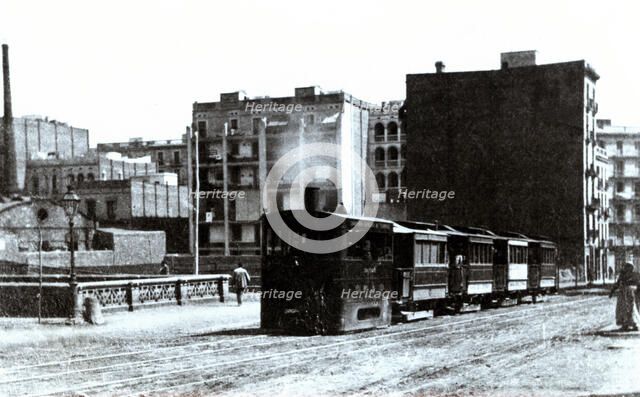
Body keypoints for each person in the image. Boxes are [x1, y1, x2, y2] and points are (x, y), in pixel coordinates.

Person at [609, 262, 639, 331]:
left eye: (628, 267)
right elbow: (617, 284)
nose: (626, 268)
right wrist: (612, 291)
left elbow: (638, 283)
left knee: (630, 308)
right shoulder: (622, 275)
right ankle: (625, 325)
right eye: (626, 267)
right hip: (622, 294)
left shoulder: (634, 275)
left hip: (629, 293)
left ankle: (634, 324)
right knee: (622, 309)